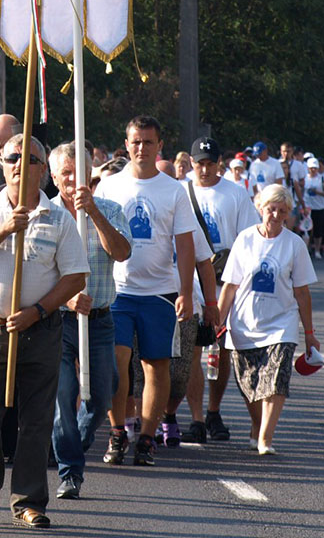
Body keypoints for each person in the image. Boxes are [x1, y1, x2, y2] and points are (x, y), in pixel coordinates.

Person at [0, 136, 88, 528]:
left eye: (30, 159)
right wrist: (4, 230)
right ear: (2, 162)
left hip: (40, 328)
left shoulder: (58, 218)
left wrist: (38, 310)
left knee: (37, 417)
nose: (19, 164)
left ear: (42, 170)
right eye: (13, 157)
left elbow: (76, 275)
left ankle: (29, 500)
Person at [94, 116, 197, 467]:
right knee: (116, 362)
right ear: (126, 144)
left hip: (160, 293)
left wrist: (186, 292)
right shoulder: (108, 186)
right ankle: (118, 432)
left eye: (148, 142)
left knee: (156, 366)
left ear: (159, 146)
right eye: (135, 142)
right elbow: (94, 238)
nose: (141, 148)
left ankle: (147, 438)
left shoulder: (173, 190)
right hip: (117, 290)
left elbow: (185, 245)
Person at [47, 141, 131, 499]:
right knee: (64, 395)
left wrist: (93, 213)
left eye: (77, 173)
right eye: (65, 173)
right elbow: (37, 271)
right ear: (54, 176)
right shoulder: (44, 214)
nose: (71, 179)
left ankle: (69, 446)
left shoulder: (109, 209)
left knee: (102, 394)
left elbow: (123, 252)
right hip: (58, 320)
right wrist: (66, 295)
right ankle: (70, 472)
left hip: (99, 318)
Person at [216, 184, 319, 455]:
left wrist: (309, 332)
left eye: (281, 211)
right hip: (243, 325)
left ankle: (265, 438)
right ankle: (257, 424)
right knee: (249, 385)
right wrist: (218, 320)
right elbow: (230, 285)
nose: (274, 215)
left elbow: (302, 293)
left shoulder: (294, 244)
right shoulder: (245, 239)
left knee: (276, 380)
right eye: (271, 209)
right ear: (261, 208)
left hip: (280, 325)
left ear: (287, 215)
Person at [184, 138, 259, 444]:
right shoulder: (180, 191)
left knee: (221, 350)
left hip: (224, 279)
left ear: (219, 164)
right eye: (199, 163)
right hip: (189, 280)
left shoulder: (235, 194)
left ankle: (214, 411)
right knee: (192, 350)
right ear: (191, 163)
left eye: (209, 163)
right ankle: (197, 417)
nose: (204, 169)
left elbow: (248, 238)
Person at [302, 157, 324, 260]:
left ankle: (317, 250)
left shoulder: (323, 179)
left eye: (315, 168)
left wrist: (317, 192)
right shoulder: (304, 179)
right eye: (311, 168)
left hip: (320, 207)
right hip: (308, 207)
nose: (313, 170)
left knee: (318, 230)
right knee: (307, 229)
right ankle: (306, 249)